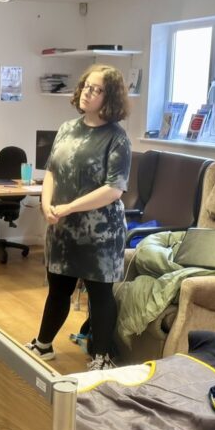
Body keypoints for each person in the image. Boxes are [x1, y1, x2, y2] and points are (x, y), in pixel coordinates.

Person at [25, 64, 132, 371]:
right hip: (62, 229)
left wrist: (69, 207)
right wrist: (46, 204)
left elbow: (114, 189)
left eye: (97, 89)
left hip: (99, 234)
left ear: (109, 98)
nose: (88, 92)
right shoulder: (67, 128)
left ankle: (101, 357)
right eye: (87, 85)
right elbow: (53, 172)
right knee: (58, 288)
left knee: (100, 294)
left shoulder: (117, 138)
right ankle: (43, 344)